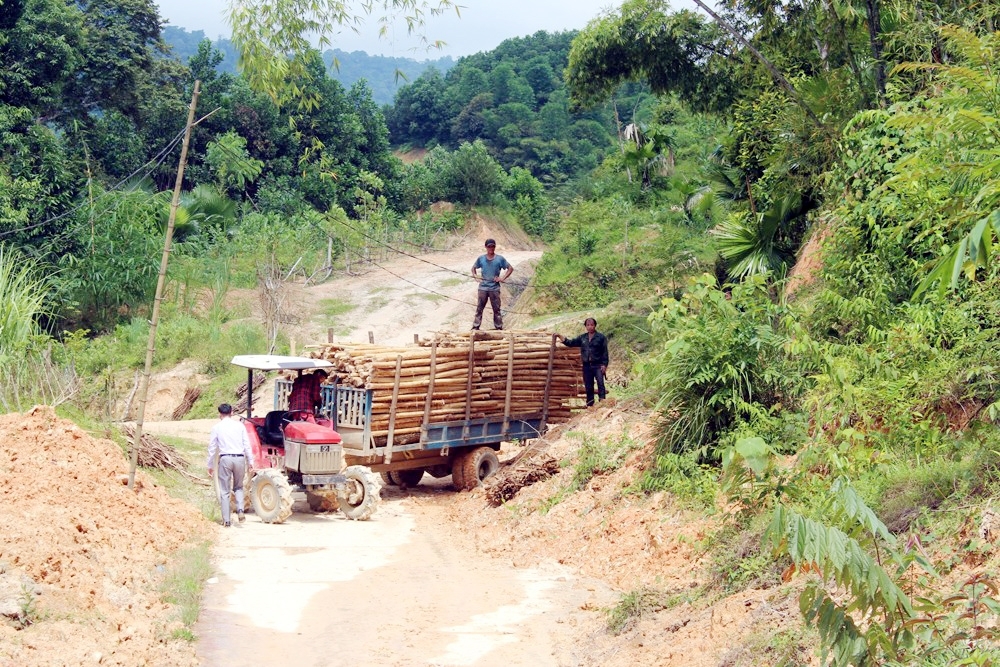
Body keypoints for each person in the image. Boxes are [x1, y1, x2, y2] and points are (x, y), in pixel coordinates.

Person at [207, 403, 255, 527]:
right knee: (238, 487)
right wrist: (250, 461)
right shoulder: (240, 426)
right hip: (239, 458)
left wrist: (210, 465)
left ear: (219, 414)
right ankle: (240, 509)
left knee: (224, 490)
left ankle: (227, 520)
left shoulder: (216, 428)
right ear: (232, 412)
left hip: (225, 459)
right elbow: (247, 445)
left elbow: (212, 448)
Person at [557, 317, 609, 407]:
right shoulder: (582, 338)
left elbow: (604, 352)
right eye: (588, 325)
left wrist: (604, 365)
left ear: (595, 326)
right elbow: (571, 343)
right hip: (586, 366)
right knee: (588, 386)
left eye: (592, 325)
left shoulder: (601, 337)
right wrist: (560, 336)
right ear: (585, 326)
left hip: (598, 365)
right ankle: (590, 405)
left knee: (600, 384)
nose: (590, 327)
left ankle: (602, 403)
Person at [471, 238, 514, 330]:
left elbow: (510, 268)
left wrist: (502, 278)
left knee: (496, 309)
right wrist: (475, 276)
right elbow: (473, 268)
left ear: (495, 247)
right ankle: (475, 327)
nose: (491, 248)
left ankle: (498, 327)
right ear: (486, 247)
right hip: (483, 288)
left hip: (494, 288)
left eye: (493, 246)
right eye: (489, 246)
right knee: (479, 308)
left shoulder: (500, 259)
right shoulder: (481, 258)